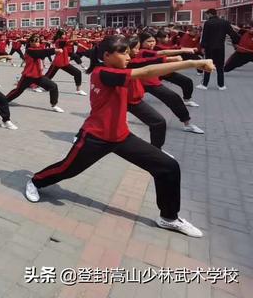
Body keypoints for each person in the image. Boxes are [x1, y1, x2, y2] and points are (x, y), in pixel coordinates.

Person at [24, 35, 215, 238]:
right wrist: (194, 63)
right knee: (66, 169)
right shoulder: (103, 72)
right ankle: (35, 181)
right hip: (95, 137)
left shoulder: (119, 67)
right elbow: (146, 71)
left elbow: (147, 62)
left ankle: (169, 218)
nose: (128, 56)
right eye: (123, 53)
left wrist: (180, 57)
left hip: (121, 137)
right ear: (107, 55)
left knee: (168, 167)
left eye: (128, 52)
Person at [5, 34, 64, 113]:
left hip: (38, 76)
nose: (37, 43)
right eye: (35, 42)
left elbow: (43, 52)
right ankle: (4, 101)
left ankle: (54, 105)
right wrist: (54, 50)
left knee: (53, 86)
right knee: (18, 91)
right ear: (30, 42)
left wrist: (53, 49)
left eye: (38, 42)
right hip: (28, 76)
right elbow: (40, 53)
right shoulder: (29, 50)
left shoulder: (38, 49)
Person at [197, 9, 239, 90]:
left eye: (207, 15)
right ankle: (221, 85)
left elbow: (204, 36)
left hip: (209, 48)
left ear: (210, 14)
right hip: (220, 48)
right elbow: (232, 33)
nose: (206, 16)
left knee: (208, 65)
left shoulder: (208, 23)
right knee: (220, 66)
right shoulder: (225, 22)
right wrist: (237, 42)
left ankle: (204, 85)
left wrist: (202, 47)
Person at [45, 30, 87, 96]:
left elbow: (72, 40)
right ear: (60, 35)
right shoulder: (59, 41)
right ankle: (37, 85)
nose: (64, 35)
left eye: (65, 34)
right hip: (57, 63)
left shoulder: (63, 40)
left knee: (77, 73)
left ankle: (78, 90)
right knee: (48, 76)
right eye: (63, 34)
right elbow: (70, 40)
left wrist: (75, 35)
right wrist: (82, 38)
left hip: (64, 63)